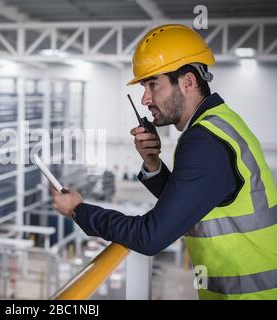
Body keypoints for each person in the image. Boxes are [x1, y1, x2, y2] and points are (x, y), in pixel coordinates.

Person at [50, 24, 277, 300]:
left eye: (153, 84)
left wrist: (79, 210)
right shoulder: (220, 123)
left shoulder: (203, 141)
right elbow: (191, 204)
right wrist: (153, 164)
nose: (145, 98)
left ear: (188, 82)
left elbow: (150, 237)